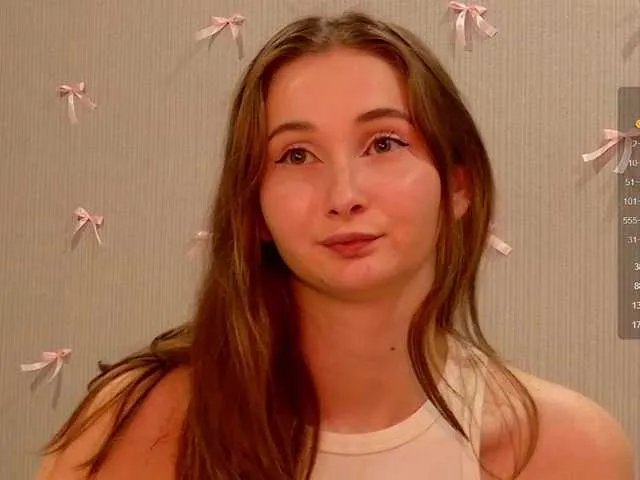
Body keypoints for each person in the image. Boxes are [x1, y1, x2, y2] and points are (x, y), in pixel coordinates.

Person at [35, 10, 634, 480]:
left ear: (458, 187)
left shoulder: (565, 451)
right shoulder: (136, 425)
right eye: (296, 155)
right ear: (255, 211)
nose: (344, 195)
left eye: (384, 144)